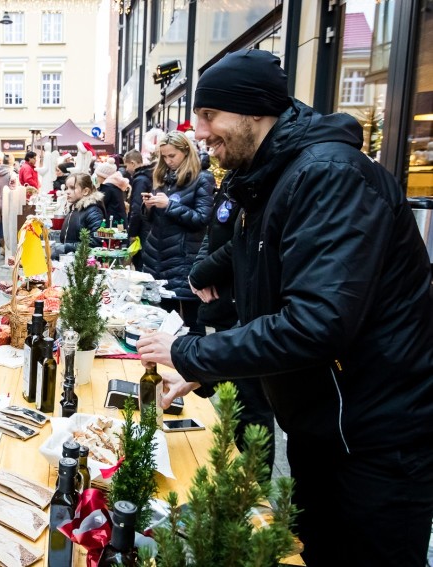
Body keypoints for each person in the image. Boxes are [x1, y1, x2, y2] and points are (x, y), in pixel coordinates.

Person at [137, 49, 433, 567]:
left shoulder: (329, 176)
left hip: (377, 440)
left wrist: (191, 354)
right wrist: (203, 366)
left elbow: (316, 324)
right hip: (325, 428)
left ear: (254, 112)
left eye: (209, 116)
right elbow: (265, 299)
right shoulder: (270, 176)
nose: (200, 132)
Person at [187, 174, 276, 470]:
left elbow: (242, 244)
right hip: (218, 307)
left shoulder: (264, 184)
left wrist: (204, 272)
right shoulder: (232, 182)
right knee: (228, 402)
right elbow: (214, 235)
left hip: (245, 314)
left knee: (250, 409)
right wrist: (198, 272)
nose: (203, 135)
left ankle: (250, 496)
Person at [131, 131, 213, 328]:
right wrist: (148, 207)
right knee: (162, 319)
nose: (168, 161)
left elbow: (203, 219)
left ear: (185, 152)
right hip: (156, 257)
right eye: (164, 156)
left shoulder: (202, 178)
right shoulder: (162, 177)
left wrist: (169, 205)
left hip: (183, 259)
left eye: (172, 156)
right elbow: (150, 220)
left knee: (191, 321)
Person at [53, 173, 105, 258]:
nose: (67, 192)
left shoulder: (93, 211)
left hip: (81, 264)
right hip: (68, 260)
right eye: (66, 188)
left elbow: (95, 242)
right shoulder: (75, 208)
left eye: (72, 188)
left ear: (85, 191)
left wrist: (66, 247)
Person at [93, 161, 129, 229]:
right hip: (120, 221)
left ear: (103, 177)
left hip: (112, 223)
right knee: (120, 237)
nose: (96, 178)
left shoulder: (107, 187)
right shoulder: (115, 186)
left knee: (114, 239)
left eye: (98, 176)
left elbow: (99, 204)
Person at [1, 171, 25, 267]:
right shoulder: (7, 191)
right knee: (10, 234)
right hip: (10, 218)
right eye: (11, 180)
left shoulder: (20, 190)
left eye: (14, 180)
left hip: (16, 218)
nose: (12, 182)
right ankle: (12, 256)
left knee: (14, 234)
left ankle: (15, 256)